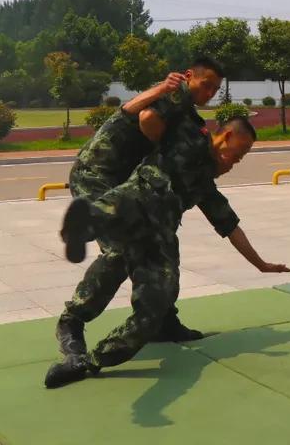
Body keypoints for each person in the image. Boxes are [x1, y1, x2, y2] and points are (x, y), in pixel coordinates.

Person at [46, 115, 288, 389]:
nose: (236, 163)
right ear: (226, 138)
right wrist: (173, 93)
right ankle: (72, 319)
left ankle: (105, 353)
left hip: (156, 229)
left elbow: (230, 225)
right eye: (238, 154)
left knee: (159, 294)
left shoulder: (204, 184)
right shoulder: (182, 142)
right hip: (110, 187)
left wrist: (261, 264)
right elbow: (147, 119)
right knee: (118, 253)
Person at [57, 57, 225, 356]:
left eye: (215, 89)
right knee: (121, 252)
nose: (209, 92)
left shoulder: (185, 110)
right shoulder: (172, 95)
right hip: (97, 175)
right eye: (206, 84)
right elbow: (134, 112)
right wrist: (162, 87)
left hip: (129, 184)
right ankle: (72, 321)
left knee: (159, 244)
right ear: (189, 77)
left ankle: (162, 319)